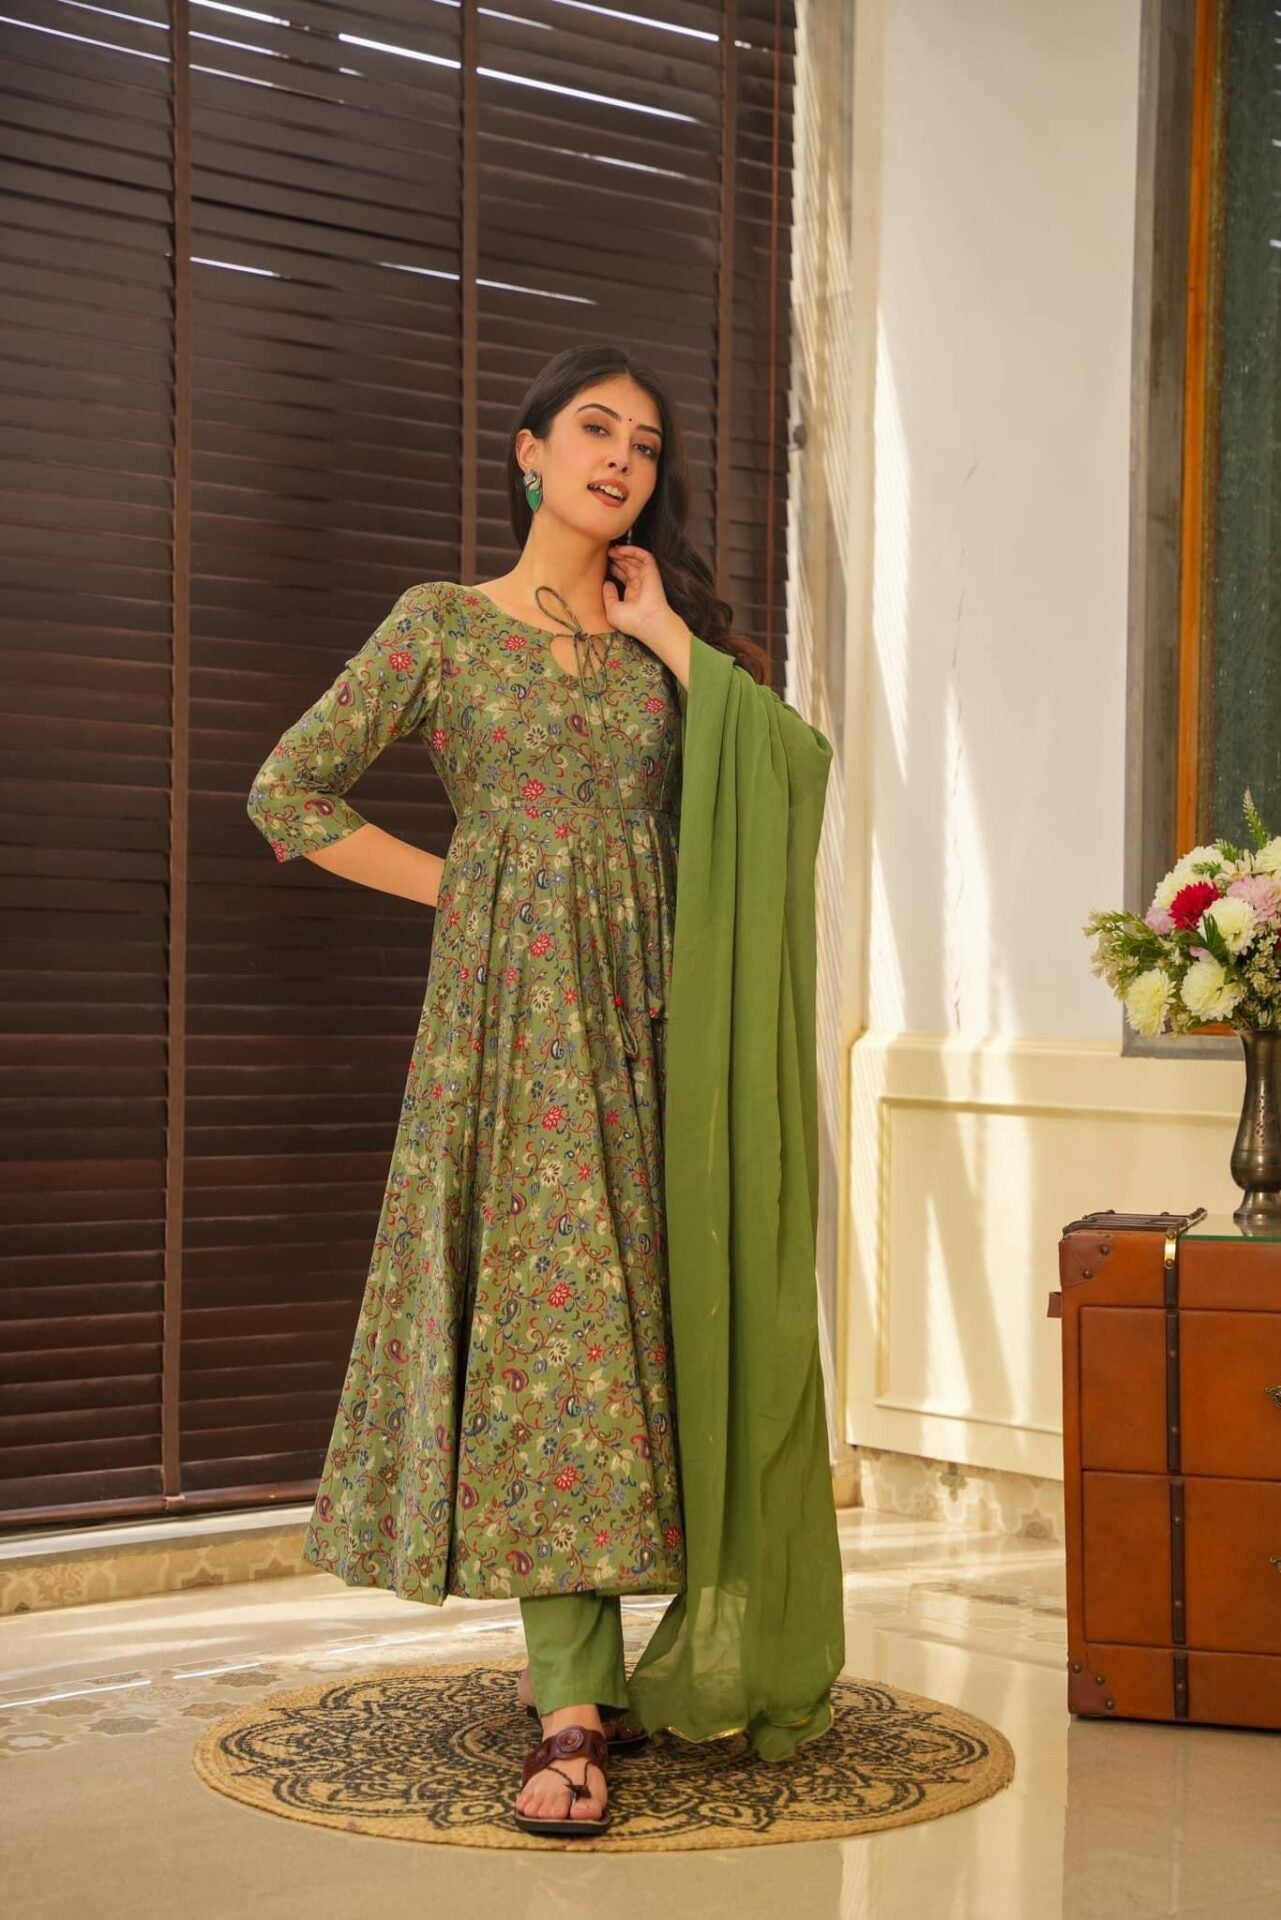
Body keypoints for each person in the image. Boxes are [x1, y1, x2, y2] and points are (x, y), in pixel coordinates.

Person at [246, 343, 792, 1836]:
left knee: (663, 1327)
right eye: (594, 429)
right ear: (527, 452)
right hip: (516, 1035)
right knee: (555, 1334)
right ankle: (568, 1706)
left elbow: (781, 777)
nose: (621, 458)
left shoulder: (664, 644)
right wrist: (466, 889)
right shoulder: (442, 625)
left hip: (668, 1025)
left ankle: (656, 1658)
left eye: (647, 444)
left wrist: (667, 632)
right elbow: (287, 790)